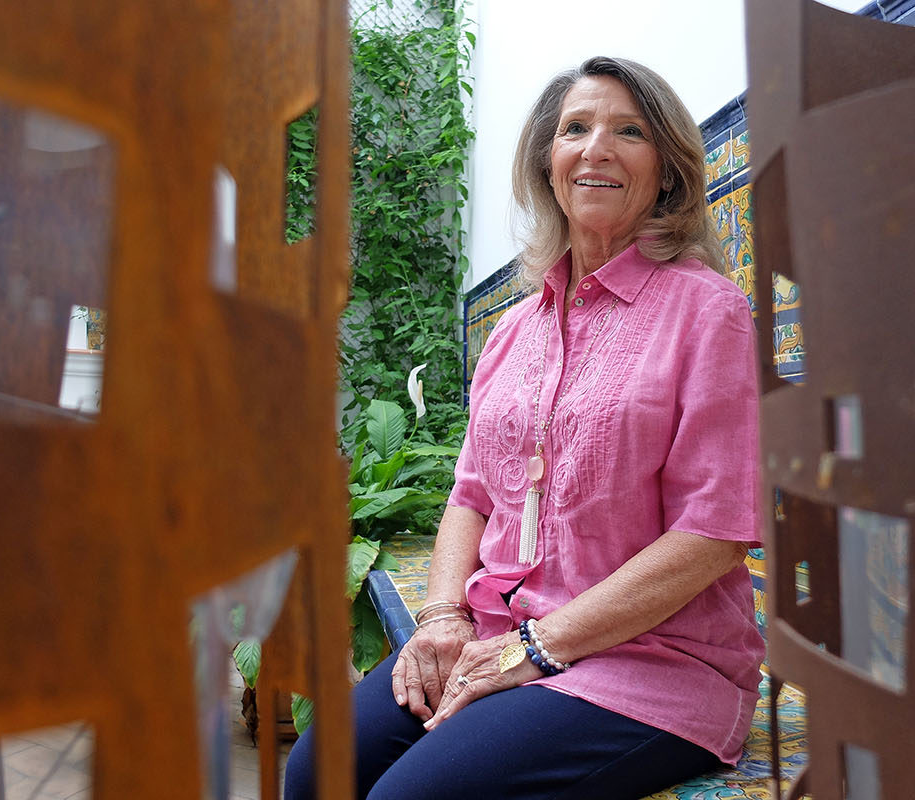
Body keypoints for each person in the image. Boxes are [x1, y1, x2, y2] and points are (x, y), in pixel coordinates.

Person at [286, 55, 763, 800]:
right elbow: (471, 494)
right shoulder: (514, 328)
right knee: (315, 772)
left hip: (650, 662)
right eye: (576, 128)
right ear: (549, 162)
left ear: (666, 169)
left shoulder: (707, 311)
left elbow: (716, 531)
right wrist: (441, 619)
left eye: (628, 131)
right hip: (492, 632)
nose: (596, 147)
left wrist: (536, 647)